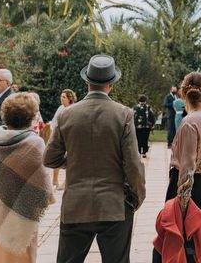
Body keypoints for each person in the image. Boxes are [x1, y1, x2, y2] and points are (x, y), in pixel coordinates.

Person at [44, 54, 146, 263]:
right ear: (111, 84)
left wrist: (75, 161)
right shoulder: (123, 114)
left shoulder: (66, 115)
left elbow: (49, 158)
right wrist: (138, 196)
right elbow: (133, 163)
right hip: (114, 203)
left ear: (87, 81)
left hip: (76, 204)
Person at [0, 92, 54, 262]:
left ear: (5, 115)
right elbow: (44, 185)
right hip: (20, 218)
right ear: (31, 117)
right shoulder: (34, 143)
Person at [153, 71, 201, 263]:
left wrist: (181, 209)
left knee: (183, 245)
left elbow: (187, 171)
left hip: (189, 190)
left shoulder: (188, 123)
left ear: (182, 92)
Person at [50, 89, 77, 189]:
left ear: (70, 98)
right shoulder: (60, 108)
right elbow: (53, 122)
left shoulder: (74, 108)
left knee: (69, 159)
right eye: (61, 97)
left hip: (70, 137)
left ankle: (66, 181)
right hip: (58, 136)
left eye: (64, 97)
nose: (61, 99)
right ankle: (54, 180)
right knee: (57, 157)